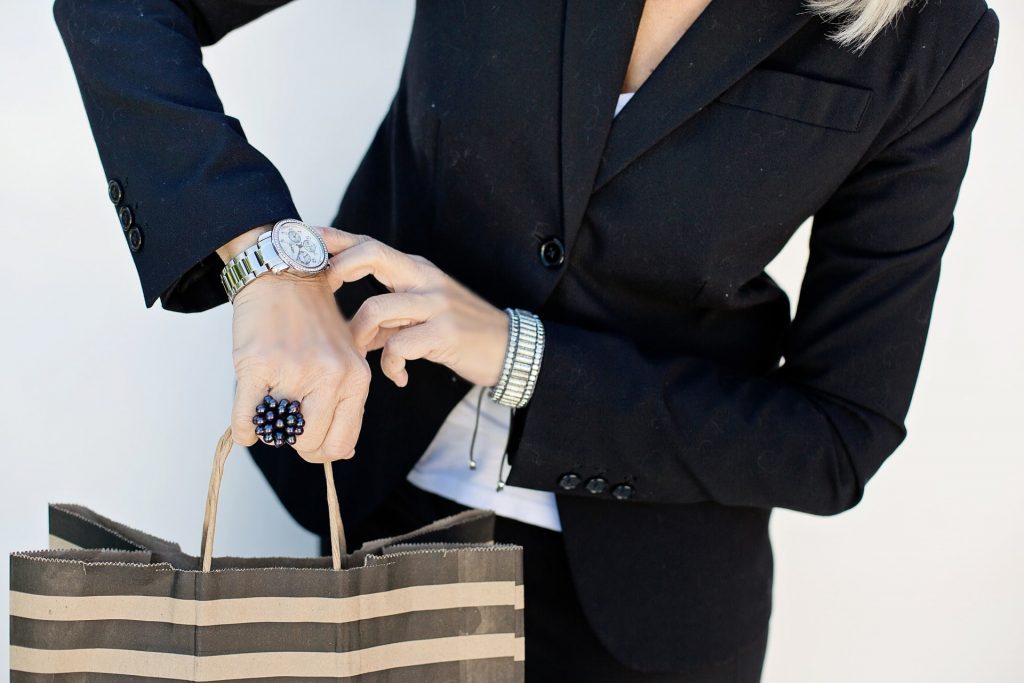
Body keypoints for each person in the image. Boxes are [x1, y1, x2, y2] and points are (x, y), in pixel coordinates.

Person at [54, 0, 999, 680]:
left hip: (649, 616)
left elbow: (837, 436)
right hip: (372, 519)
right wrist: (262, 259)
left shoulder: (936, 35)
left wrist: (520, 355)